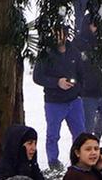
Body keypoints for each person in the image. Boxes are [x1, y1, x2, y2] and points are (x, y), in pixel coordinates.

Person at [32, 25, 87, 168]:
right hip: (54, 102)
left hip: (74, 101)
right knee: (53, 135)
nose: (59, 38)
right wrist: (57, 82)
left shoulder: (74, 52)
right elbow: (37, 76)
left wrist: (77, 89)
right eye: (56, 35)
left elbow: (82, 75)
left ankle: (80, 160)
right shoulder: (46, 53)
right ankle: (53, 162)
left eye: (62, 35)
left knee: (80, 133)